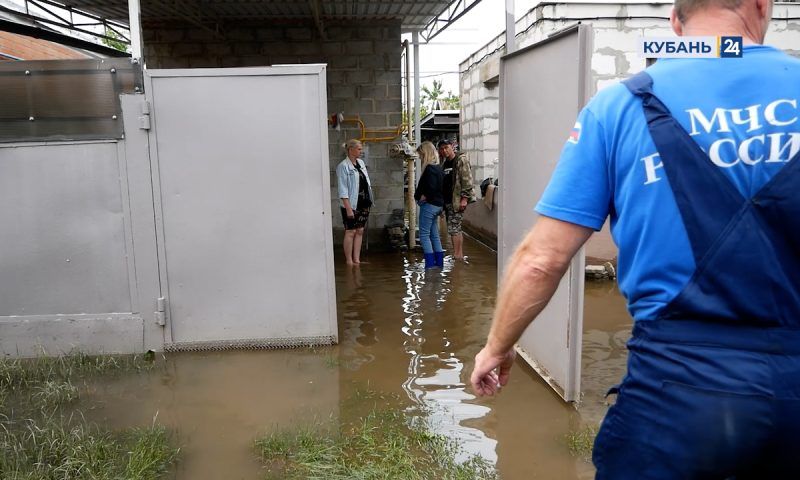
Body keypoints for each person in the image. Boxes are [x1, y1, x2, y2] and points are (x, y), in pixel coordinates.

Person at [470, 0, 800, 477]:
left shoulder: (621, 106)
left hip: (678, 390)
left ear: (675, 21)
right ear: (763, 7)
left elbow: (541, 259)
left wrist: (497, 347)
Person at [336, 139, 373, 266]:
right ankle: (349, 260)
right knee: (350, 231)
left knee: (360, 230)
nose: (361, 151)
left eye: (361, 149)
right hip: (351, 204)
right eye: (359, 149)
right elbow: (342, 188)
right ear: (350, 149)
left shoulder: (361, 163)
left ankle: (357, 259)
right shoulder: (343, 166)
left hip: (364, 202)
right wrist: (348, 208)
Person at [438, 139, 476, 260]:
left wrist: (464, 199)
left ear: (452, 147)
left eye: (446, 147)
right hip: (448, 201)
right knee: (455, 228)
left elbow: (467, 180)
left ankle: (458, 255)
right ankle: (458, 255)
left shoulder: (460, 160)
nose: (444, 151)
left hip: (457, 200)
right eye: (442, 148)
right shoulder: (445, 163)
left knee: (454, 228)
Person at [414, 141, 446, 269]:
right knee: (435, 235)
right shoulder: (439, 168)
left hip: (430, 206)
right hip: (438, 206)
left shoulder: (429, 168)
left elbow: (431, 188)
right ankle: (439, 264)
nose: (420, 158)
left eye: (421, 155)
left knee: (424, 235)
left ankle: (429, 265)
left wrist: (424, 196)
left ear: (425, 154)